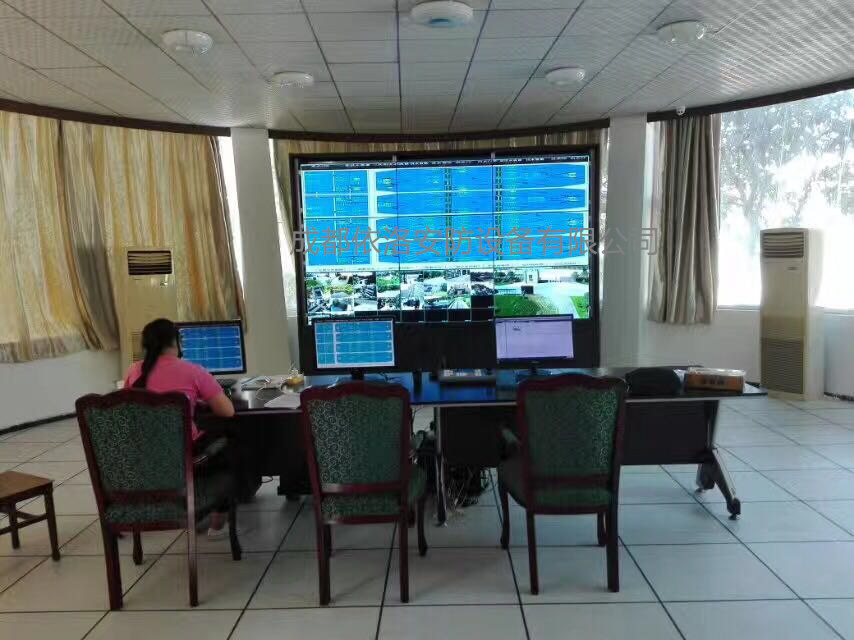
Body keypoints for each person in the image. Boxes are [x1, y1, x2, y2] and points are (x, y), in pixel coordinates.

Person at [124, 318, 236, 538]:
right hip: (186, 454)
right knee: (228, 447)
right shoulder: (193, 371)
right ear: (176, 342)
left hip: (146, 457)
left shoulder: (134, 371)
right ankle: (217, 523)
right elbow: (227, 411)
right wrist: (196, 399)